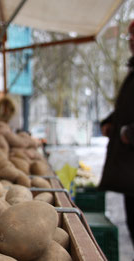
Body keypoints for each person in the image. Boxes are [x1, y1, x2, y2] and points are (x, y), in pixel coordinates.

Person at [99, 20, 134, 247]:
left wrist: (129, 133)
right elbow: (127, 108)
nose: (130, 41)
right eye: (129, 36)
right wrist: (110, 122)